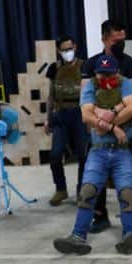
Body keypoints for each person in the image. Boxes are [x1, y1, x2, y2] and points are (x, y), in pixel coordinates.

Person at [54, 54, 132, 254]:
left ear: (117, 72)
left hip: (122, 150)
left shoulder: (126, 84)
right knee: (87, 192)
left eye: (108, 74)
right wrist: (114, 127)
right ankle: (78, 236)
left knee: (127, 193)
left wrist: (105, 120)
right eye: (100, 74)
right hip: (98, 150)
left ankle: (129, 234)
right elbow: (86, 115)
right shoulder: (91, 86)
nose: (104, 78)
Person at [81, 20, 132, 235]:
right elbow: (87, 100)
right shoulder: (91, 64)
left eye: (123, 40)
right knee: (95, 172)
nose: (120, 44)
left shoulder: (131, 64)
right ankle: (100, 216)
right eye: (116, 40)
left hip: (129, 125)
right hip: (100, 129)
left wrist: (110, 122)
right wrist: (104, 125)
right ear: (104, 39)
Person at [45, 35, 88, 206]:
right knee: (55, 155)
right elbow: (50, 95)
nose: (67, 52)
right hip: (61, 114)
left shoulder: (84, 66)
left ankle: (81, 191)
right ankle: (60, 189)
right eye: (64, 50)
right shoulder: (54, 68)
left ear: (75, 47)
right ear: (58, 51)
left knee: (83, 154)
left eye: (70, 48)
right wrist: (48, 119)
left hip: (80, 114)